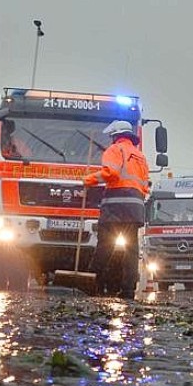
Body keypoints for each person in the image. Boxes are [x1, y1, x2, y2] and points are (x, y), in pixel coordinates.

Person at [83, 120, 150, 298]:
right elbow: (144, 186)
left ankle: (90, 282)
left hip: (115, 206)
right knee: (131, 249)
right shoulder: (140, 156)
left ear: (115, 136)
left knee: (105, 245)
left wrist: (89, 179)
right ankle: (128, 289)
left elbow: (110, 173)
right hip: (136, 207)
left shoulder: (115, 150)